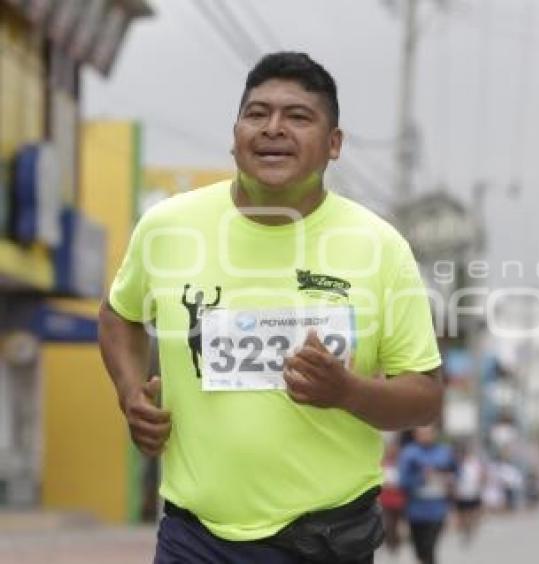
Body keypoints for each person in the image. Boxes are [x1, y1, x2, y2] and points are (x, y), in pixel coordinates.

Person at [98, 51, 444, 564]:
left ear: (334, 144)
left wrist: (347, 391)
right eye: (256, 114)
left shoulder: (378, 246)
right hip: (194, 537)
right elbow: (118, 314)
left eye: (298, 116)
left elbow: (424, 396)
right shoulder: (169, 226)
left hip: (325, 541)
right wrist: (130, 393)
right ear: (235, 134)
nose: (273, 129)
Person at [398, 425, 456, 564]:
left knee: (430, 546)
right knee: (420, 550)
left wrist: (449, 479)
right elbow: (403, 481)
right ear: (415, 434)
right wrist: (421, 477)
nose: (426, 436)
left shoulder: (444, 452)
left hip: (437, 509)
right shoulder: (409, 453)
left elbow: (456, 472)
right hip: (415, 510)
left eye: (429, 433)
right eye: (422, 433)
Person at [453, 442, 485, 545]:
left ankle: (470, 529)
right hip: (462, 493)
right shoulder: (457, 464)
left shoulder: (474, 463)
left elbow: (481, 475)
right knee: (463, 514)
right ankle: (465, 530)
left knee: (473, 512)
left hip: (473, 491)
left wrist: (480, 484)